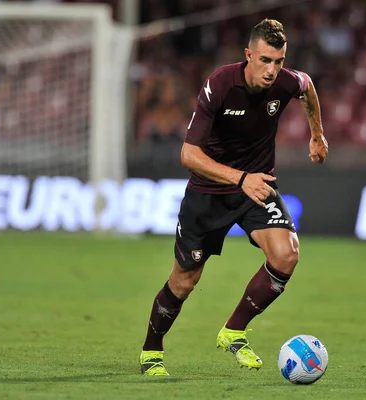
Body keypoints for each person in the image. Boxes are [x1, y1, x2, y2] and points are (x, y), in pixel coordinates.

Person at [139, 18, 329, 376]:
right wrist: (239, 178)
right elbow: (189, 155)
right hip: (209, 193)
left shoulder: (287, 81)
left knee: (286, 255)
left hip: (256, 187)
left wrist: (316, 135)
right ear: (248, 55)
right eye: (265, 60)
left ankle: (234, 331)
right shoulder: (220, 85)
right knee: (185, 280)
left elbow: (308, 87)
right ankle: (152, 350)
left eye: (279, 61)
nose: (272, 70)